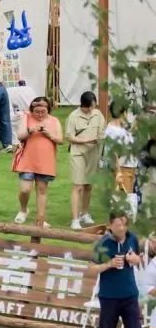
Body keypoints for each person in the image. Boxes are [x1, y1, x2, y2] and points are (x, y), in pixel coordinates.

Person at [93, 211, 145, 328]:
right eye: (118, 225)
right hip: (109, 296)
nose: (122, 228)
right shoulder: (103, 243)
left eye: (124, 224)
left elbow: (139, 260)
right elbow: (91, 268)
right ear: (110, 226)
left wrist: (135, 259)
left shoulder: (132, 239)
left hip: (130, 295)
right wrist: (109, 264)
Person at [13, 96, 62, 227]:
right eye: (37, 112)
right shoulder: (27, 118)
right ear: (32, 110)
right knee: (25, 189)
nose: (40, 114)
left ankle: (40, 219)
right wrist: (30, 130)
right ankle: (23, 209)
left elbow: (60, 140)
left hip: (46, 160)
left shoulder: (54, 121)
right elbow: (20, 136)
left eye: (43, 112)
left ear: (48, 110)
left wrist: (50, 135)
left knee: (42, 190)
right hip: (28, 159)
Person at [65, 91, 105, 230]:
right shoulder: (73, 116)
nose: (92, 108)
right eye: (90, 106)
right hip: (78, 153)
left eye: (94, 106)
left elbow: (102, 132)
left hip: (93, 153)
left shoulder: (98, 114)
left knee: (88, 185)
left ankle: (85, 213)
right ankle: (75, 219)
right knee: (78, 186)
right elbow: (69, 136)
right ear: (84, 105)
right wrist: (86, 140)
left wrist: (100, 140)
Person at [105, 102, 140, 201]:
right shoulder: (113, 131)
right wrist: (118, 172)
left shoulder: (117, 128)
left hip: (129, 167)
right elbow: (114, 153)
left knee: (126, 198)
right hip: (124, 168)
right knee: (124, 200)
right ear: (123, 113)